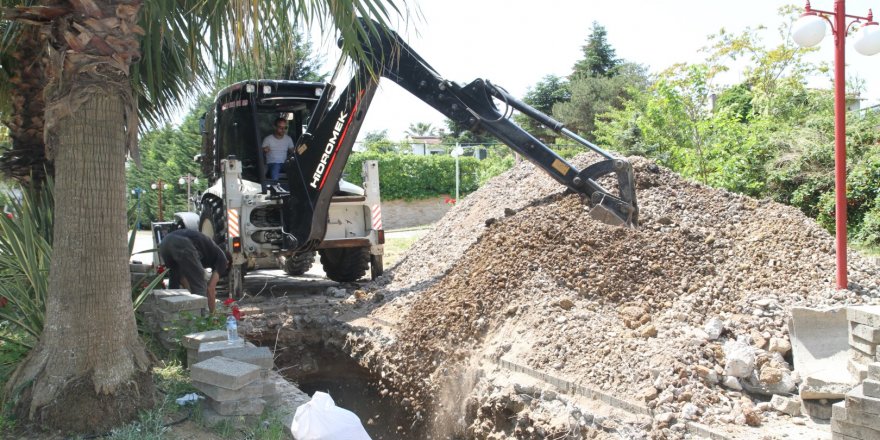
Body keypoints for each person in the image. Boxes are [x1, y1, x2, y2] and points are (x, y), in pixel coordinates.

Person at [159, 228, 230, 314]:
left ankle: (171, 316)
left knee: (175, 282)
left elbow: (183, 279)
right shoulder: (223, 260)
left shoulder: (209, 252)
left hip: (165, 243)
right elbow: (210, 288)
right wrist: (213, 314)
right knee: (200, 283)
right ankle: (202, 320)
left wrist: (192, 296)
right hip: (182, 243)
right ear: (228, 263)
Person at [262, 117, 294, 182]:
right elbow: (262, 151)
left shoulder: (288, 139)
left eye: (285, 128)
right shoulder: (268, 139)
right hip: (272, 164)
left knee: (294, 167)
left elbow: (293, 152)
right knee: (276, 166)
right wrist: (264, 150)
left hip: (284, 164)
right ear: (275, 127)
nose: (283, 129)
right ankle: (275, 186)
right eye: (280, 127)